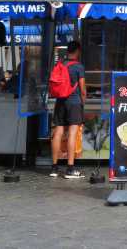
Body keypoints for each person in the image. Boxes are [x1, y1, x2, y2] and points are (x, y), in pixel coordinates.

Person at [50, 41, 86, 179]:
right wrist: (83, 103)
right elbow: (83, 89)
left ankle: (54, 168)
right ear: (77, 51)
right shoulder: (78, 67)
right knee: (72, 134)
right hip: (74, 103)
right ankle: (70, 169)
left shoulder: (60, 64)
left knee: (57, 133)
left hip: (60, 102)